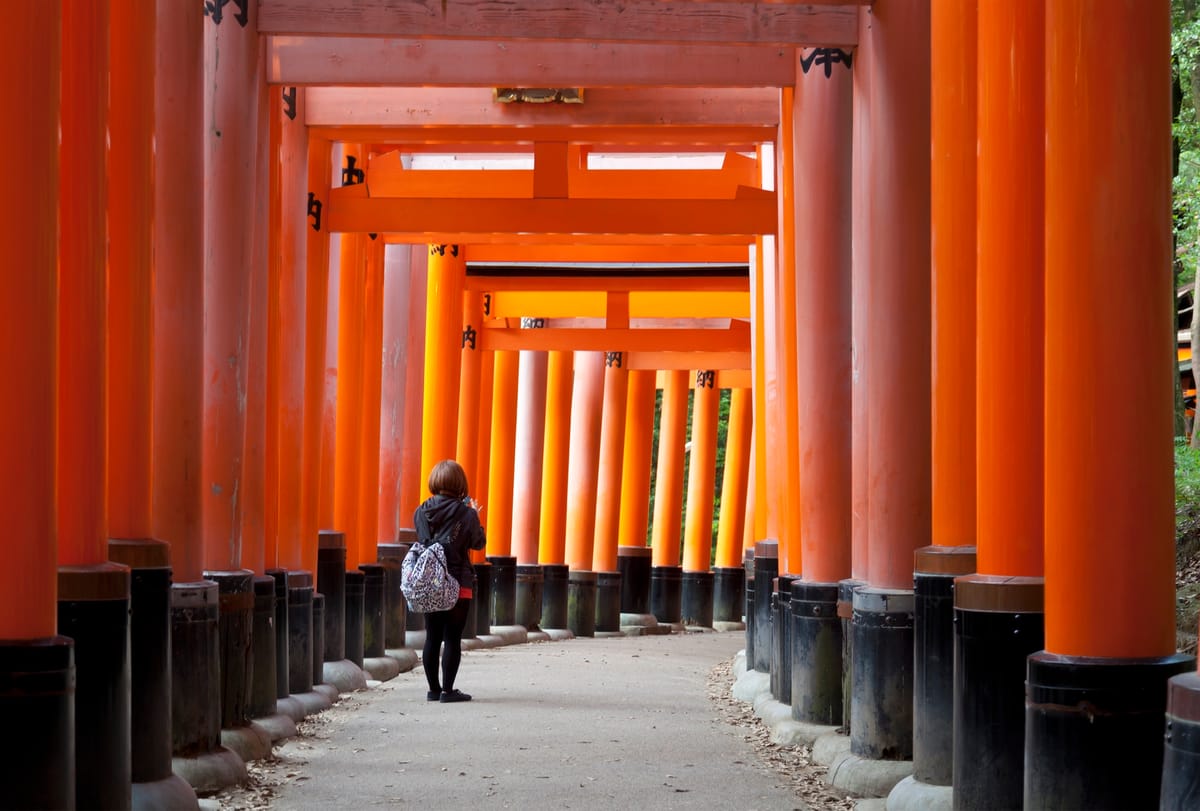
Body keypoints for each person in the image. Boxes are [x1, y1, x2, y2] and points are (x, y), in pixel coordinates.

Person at [412, 459, 487, 703]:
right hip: (459, 582)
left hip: (431, 581)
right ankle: (448, 690)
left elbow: (425, 543)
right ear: (460, 483)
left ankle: (433, 689)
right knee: (452, 637)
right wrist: (475, 515)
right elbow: (478, 543)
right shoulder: (467, 513)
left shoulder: (421, 510)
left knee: (432, 635)